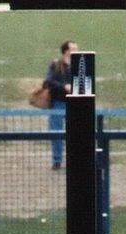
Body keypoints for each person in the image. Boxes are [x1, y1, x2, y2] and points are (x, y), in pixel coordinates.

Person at [44, 40, 77, 169]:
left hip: (74, 104)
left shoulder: (79, 65)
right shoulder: (56, 65)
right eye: (73, 49)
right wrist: (64, 87)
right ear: (66, 51)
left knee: (75, 133)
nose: (76, 52)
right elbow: (48, 81)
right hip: (58, 104)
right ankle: (57, 160)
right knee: (56, 133)